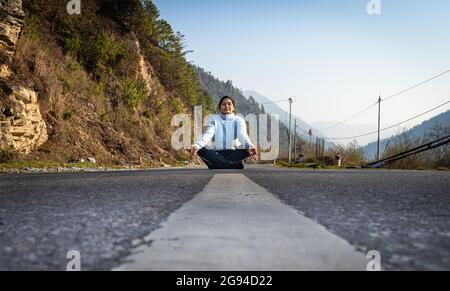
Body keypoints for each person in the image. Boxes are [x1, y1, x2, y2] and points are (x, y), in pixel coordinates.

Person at [191, 96, 258, 169]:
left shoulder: (238, 120)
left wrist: (250, 146)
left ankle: (217, 165)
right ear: (220, 107)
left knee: (244, 148)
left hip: (233, 153)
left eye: (229, 104)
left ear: (233, 108)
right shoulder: (213, 119)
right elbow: (208, 134)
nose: (226, 106)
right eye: (223, 104)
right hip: (216, 153)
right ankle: (232, 165)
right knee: (201, 149)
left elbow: (242, 135)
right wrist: (197, 145)